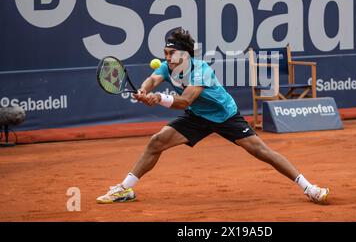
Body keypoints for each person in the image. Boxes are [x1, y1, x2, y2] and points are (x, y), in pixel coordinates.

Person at [96, 28, 329, 204]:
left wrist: (159, 99)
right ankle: (126, 188)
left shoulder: (201, 70)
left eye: (171, 53)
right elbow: (154, 78)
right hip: (197, 117)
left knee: (261, 151)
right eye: (165, 53)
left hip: (224, 115)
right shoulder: (168, 66)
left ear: (185, 55)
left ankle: (308, 187)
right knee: (156, 141)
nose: (166, 57)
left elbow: (185, 100)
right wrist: (145, 90)